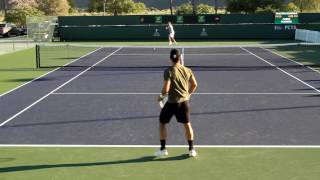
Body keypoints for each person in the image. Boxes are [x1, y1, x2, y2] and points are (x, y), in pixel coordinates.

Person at [155, 49, 198, 157]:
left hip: (171, 103)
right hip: (184, 102)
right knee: (187, 125)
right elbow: (194, 84)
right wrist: (188, 94)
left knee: (162, 123)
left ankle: (163, 149)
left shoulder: (168, 71)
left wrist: (161, 97)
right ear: (179, 58)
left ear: (170, 58)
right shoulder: (188, 70)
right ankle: (191, 150)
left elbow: (166, 88)